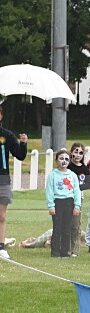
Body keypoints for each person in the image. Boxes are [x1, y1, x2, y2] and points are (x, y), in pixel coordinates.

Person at [0, 103, 28, 260]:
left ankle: (1, 246)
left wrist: (23, 143)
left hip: (2, 180)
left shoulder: (7, 135)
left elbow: (20, 155)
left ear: (1, 116)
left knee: (1, 216)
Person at [46, 149, 82, 258]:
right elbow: (49, 191)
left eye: (66, 159)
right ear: (57, 161)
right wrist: (51, 206)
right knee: (57, 228)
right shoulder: (52, 175)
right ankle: (55, 252)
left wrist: (77, 205)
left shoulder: (73, 175)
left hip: (69, 202)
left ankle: (65, 252)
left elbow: (77, 191)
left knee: (67, 228)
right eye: (61, 159)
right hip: (57, 202)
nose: (64, 161)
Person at [67, 142, 90, 256]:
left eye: (81, 152)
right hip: (65, 198)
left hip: (78, 199)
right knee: (65, 222)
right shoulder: (67, 167)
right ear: (71, 152)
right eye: (76, 151)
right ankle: (65, 248)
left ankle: (74, 250)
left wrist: (76, 187)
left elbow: (89, 184)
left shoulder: (85, 169)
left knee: (76, 224)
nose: (78, 155)